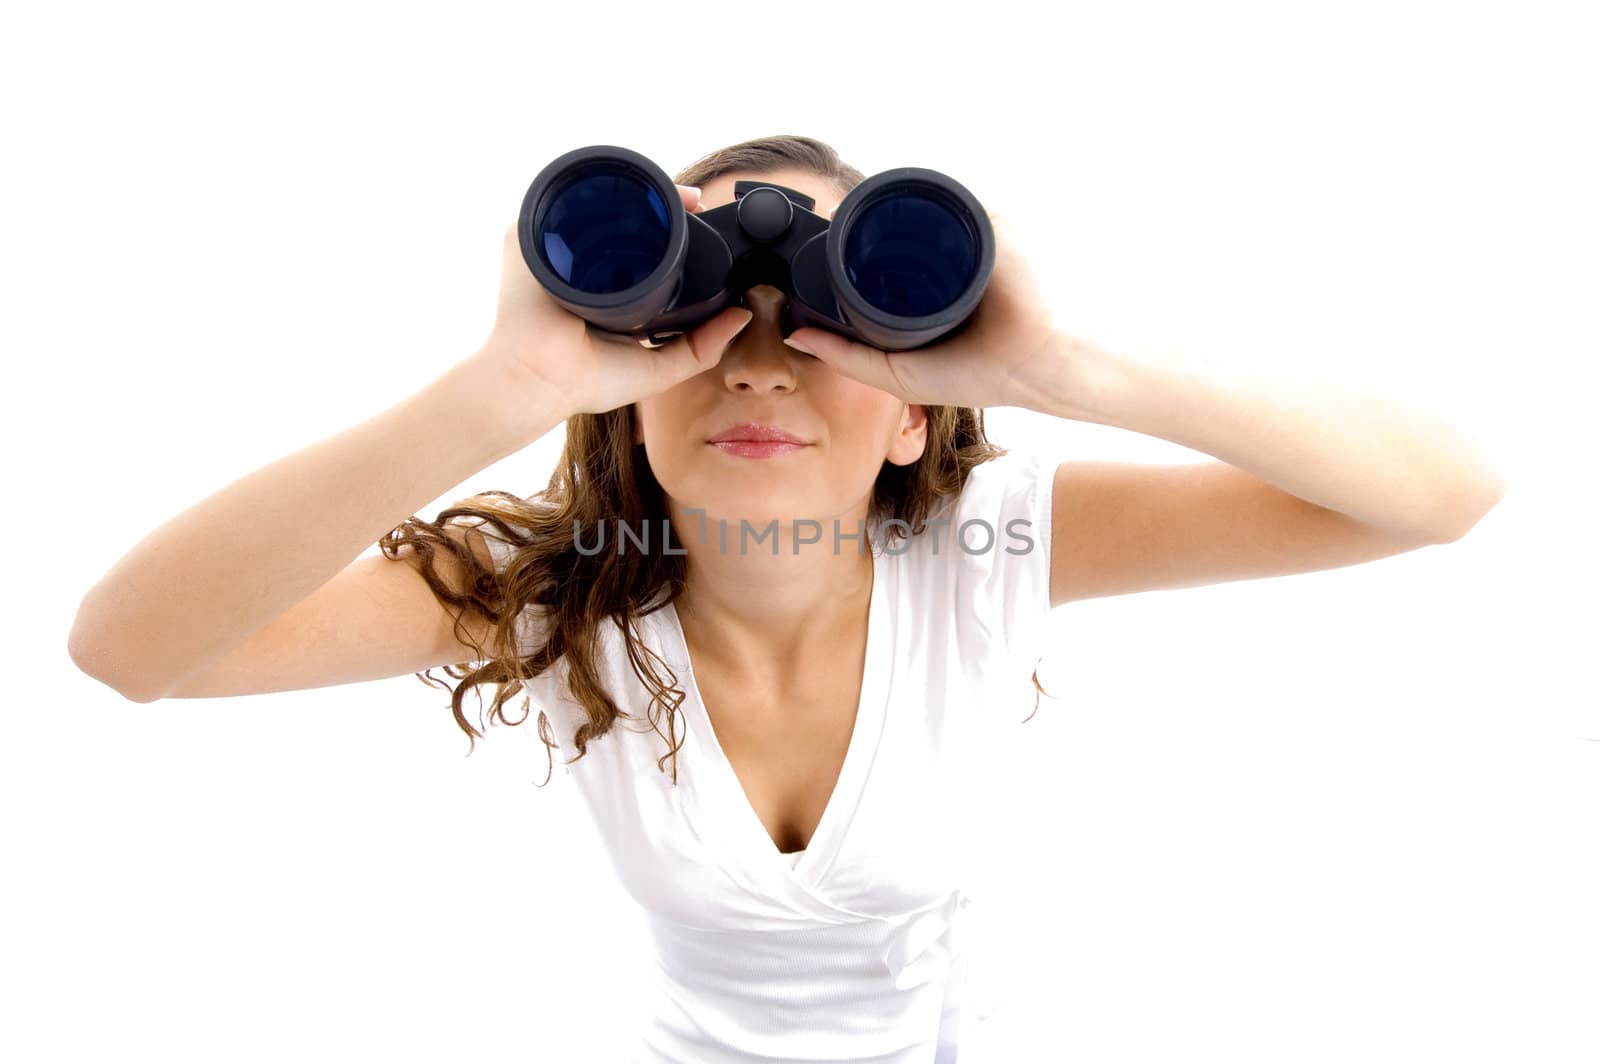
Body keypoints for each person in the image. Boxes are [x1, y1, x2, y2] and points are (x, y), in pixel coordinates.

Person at [67, 134, 1506, 1062]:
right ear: (632, 400)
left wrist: (1057, 362)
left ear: (911, 414)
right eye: (709, 330)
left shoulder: (987, 550)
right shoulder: (555, 595)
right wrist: (497, 389)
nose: (759, 365)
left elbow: (1441, 496)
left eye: (826, 326)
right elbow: (134, 652)